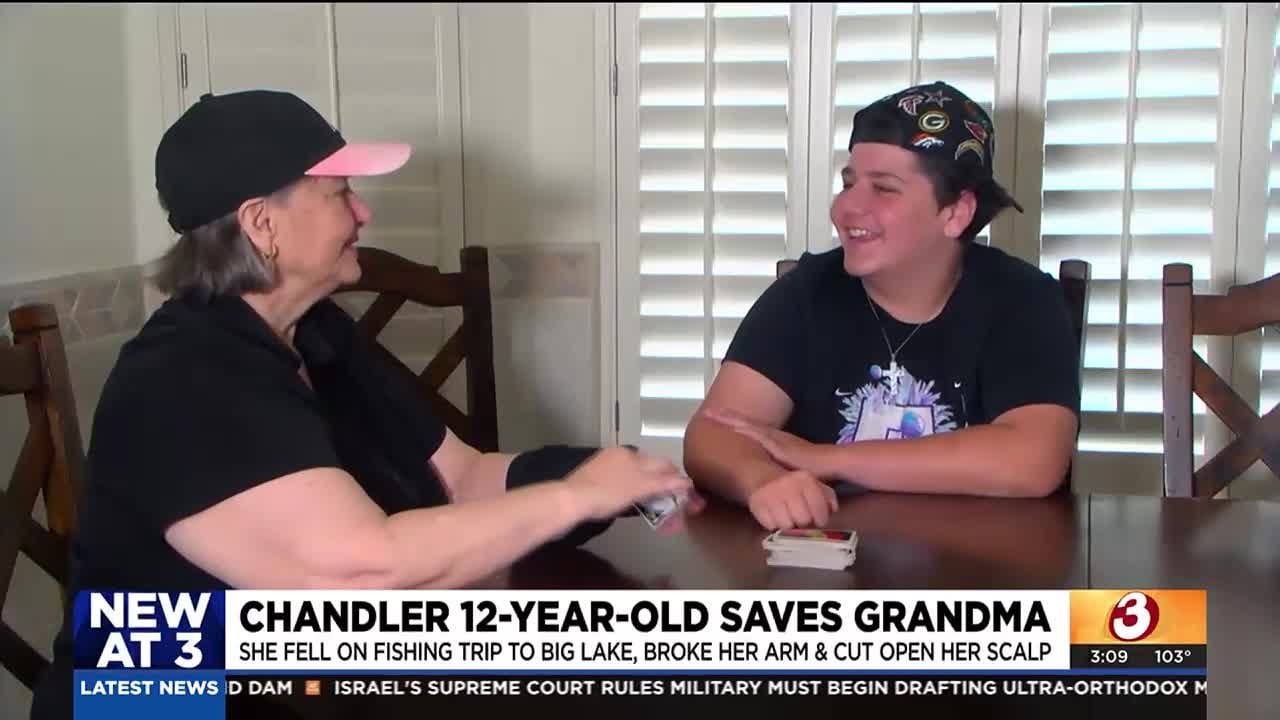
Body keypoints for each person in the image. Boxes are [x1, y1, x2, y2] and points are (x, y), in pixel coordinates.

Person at [29, 89, 699, 718]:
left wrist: (607, 476)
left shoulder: (317, 332)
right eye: (340, 193)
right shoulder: (183, 376)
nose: (363, 213)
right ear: (261, 223)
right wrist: (572, 498)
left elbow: (463, 477)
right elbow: (359, 577)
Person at [683, 81, 1081, 531]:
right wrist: (761, 479)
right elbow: (712, 433)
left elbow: (1034, 459)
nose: (845, 207)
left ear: (956, 213)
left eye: (884, 189)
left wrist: (826, 459)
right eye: (848, 183)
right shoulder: (806, 294)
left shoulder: (1022, 300)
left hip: (981, 564)